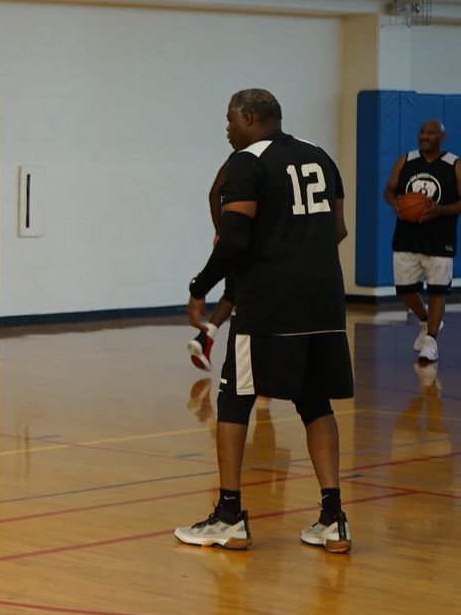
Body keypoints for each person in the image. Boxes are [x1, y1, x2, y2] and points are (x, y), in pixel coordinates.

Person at [179, 89, 353, 554]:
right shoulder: (321, 157)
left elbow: (234, 243)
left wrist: (199, 287)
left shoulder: (246, 163)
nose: (227, 129)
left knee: (235, 400)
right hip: (325, 299)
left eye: (230, 120)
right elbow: (337, 230)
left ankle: (229, 515)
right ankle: (333, 518)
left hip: (269, 303)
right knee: (315, 402)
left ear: (250, 117)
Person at [383, 119, 461, 363]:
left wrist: (441, 210)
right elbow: (389, 189)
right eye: (422, 132)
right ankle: (426, 319)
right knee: (405, 290)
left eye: (431, 133)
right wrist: (395, 202)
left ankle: (431, 340)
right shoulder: (405, 160)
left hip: (440, 238)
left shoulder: (454, 164)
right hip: (406, 236)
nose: (425, 136)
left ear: (442, 137)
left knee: (438, 291)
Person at [188, 163, 235, 373]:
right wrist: (199, 288)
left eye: (231, 126)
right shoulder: (250, 158)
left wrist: (219, 230)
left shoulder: (241, 159)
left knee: (234, 292)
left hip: (232, 233)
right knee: (241, 296)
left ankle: (206, 337)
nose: (228, 130)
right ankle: (256, 377)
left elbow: (214, 192)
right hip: (251, 241)